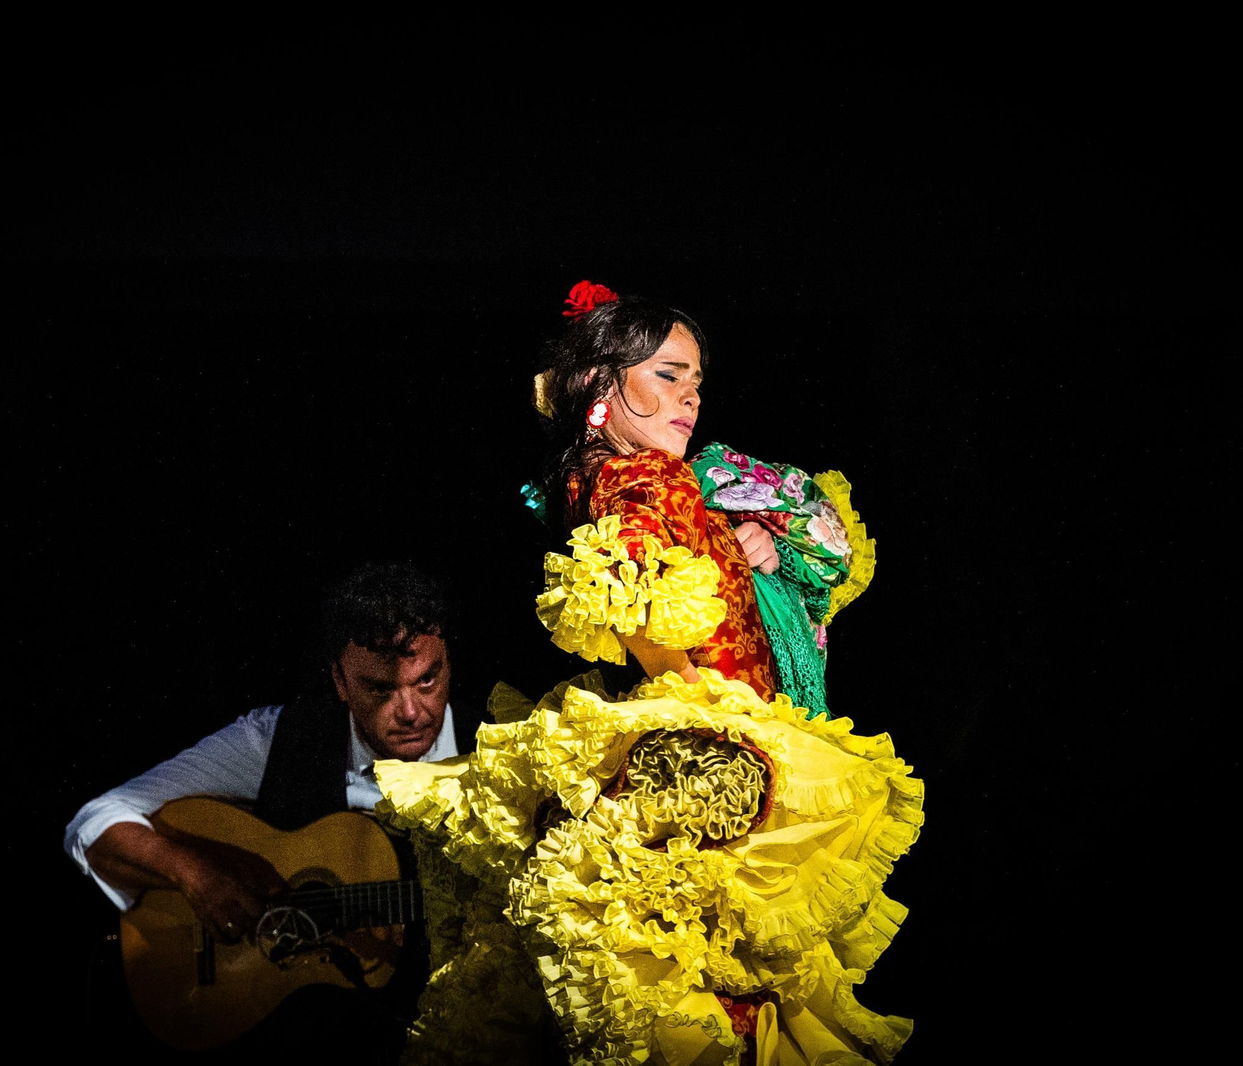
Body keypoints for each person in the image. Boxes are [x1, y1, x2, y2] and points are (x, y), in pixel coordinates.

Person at [374, 282, 925, 1065]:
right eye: (668, 374)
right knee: (714, 993)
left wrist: (743, 551)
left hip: (697, 750)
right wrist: (702, 712)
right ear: (602, 384)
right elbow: (636, 614)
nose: (691, 396)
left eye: (697, 379)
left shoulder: (594, 479)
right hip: (710, 761)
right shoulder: (647, 478)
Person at [63, 560, 479, 1054]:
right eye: (380, 689)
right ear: (341, 683)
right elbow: (94, 824)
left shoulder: (503, 754)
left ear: (448, 661)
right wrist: (196, 873)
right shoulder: (279, 739)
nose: (411, 711)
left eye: (427, 681)